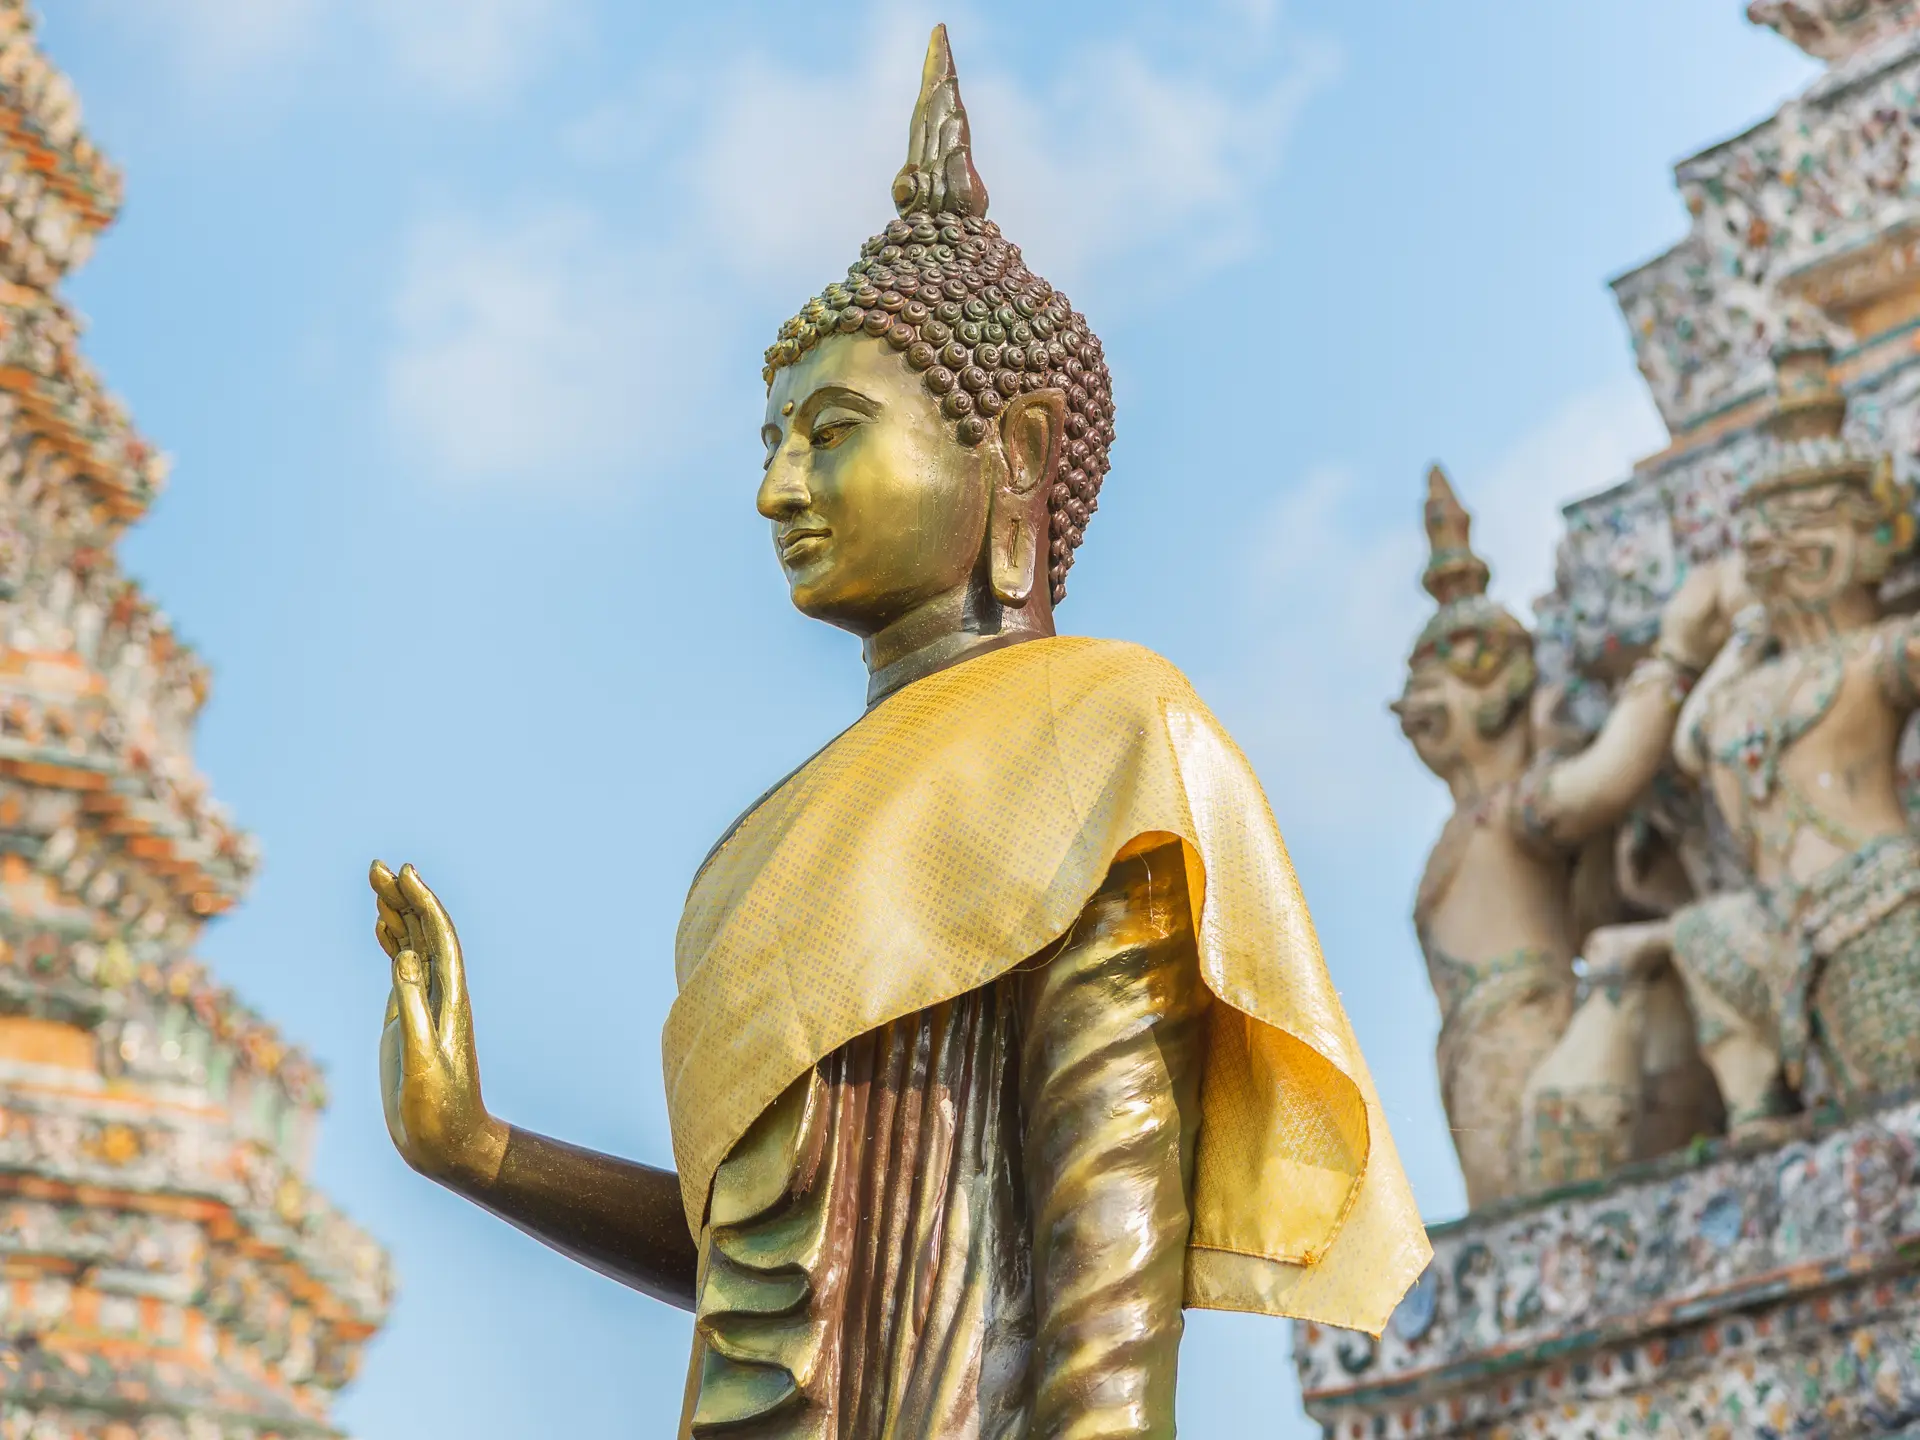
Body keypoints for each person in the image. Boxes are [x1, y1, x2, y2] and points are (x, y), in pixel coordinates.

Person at [370, 28, 1426, 1437]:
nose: (775, 490)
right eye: (770, 443)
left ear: (1023, 456)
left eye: (830, 431)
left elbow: (1102, 1282)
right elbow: (765, 1273)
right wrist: (478, 1148)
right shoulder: (763, 845)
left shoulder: (1104, 743)